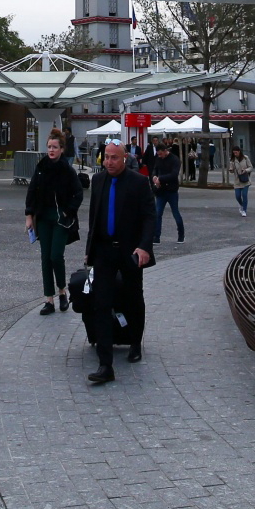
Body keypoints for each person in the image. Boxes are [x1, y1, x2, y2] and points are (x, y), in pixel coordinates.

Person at [84, 140, 156, 385]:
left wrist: (145, 246)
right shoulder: (98, 181)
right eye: (106, 157)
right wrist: (89, 250)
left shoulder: (137, 182)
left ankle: (135, 341)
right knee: (101, 303)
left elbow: (149, 216)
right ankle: (105, 364)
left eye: (114, 157)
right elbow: (94, 216)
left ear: (124, 158)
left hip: (130, 250)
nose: (109, 162)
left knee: (133, 297)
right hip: (104, 250)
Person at [24, 131, 83, 315]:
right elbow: (32, 191)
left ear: (62, 149)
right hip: (43, 218)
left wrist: (68, 210)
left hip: (61, 219)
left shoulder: (67, 169)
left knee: (56, 255)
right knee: (45, 258)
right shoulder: (41, 167)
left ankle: (62, 291)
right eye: (49, 147)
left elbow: (78, 193)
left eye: (54, 147)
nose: (51, 150)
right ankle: (49, 299)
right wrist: (29, 215)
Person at [152, 141, 184, 243]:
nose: (160, 156)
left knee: (175, 213)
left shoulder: (175, 160)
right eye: (158, 154)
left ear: (165, 151)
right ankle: (156, 236)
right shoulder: (158, 159)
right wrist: (154, 177)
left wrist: (160, 178)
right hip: (161, 191)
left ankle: (181, 235)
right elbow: (155, 170)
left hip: (172, 190)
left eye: (161, 154)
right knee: (157, 214)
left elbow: (174, 174)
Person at [229, 147, 253, 217]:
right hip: (237, 180)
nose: (235, 154)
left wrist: (245, 170)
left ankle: (244, 210)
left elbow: (251, 167)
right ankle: (242, 205)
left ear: (239, 151)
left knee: (244, 195)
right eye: (234, 153)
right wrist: (231, 170)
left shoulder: (245, 158)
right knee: (238, 196)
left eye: (236, 152)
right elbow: (232, 169)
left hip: (245, 180)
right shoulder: (233, 160)